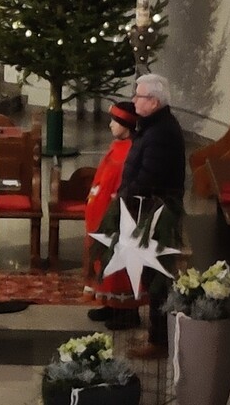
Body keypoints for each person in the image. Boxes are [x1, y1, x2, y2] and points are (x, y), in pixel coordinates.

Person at [117, 73, 186, 358]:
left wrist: (125, 196)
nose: (134, 100)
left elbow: (149, 177)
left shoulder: (161, 133)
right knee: (150, 274)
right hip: (150, 210)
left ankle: (159, 341)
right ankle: (156, 335)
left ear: (154, 102)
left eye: (139, 96)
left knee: (156, 276)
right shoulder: (154, 127)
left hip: (157, 213)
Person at [83, 101, 141, 329]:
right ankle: (110, 303)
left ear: (126, 125)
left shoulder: (132, 151)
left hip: (118, 216)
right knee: (104, 260)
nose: (110, 125)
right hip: (101, 214)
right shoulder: (117, 146)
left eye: (114, 121)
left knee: (119, 262)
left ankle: (127, 311)